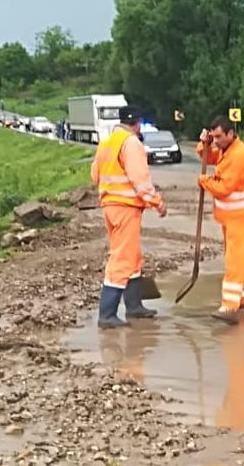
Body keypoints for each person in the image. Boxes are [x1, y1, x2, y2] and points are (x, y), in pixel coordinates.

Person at [91, 106, 167, 329]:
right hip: (125, 208)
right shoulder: (131, 143)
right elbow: (140, 179)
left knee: (131, 256)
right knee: (123, 258)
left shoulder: (106, 143)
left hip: (110, 206)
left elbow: (95, 175)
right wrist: (157, 203)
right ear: (137, 124)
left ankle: (134, 306)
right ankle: (107, 314)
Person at [197, 117, 244, 325]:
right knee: (238, 256)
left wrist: (205, 182)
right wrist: (203, 144)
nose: (216, 141)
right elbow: (210, 157)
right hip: (230, 215)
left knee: (234, 259)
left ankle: (230, 306)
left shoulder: (238, 155)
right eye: (214, 137)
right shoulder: (226, 149)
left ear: (231, 134)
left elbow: (224, 189)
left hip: (239, 215)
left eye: (219, 137)